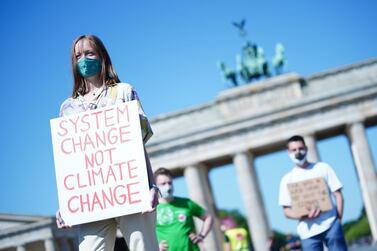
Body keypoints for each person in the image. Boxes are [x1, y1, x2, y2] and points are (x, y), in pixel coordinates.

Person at [55, 34, 159, 251]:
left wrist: (152, 186)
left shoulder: (124, 92)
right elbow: (71, 162)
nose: (83, 59)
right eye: (78, 55)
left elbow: (139, 146)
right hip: (92, 200)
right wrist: (66, 203)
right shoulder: (68, 108)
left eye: (89, 53)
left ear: (102, 56)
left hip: (132, 189)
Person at [279, 135, 347, 251]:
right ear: (288, 152)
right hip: (308, 232)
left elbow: (338, 194)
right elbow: (286, 211)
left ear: (306, 148)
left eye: (300, 148)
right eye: (294, 150)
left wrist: (338, 220)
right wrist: (302, 214)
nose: (298, 152)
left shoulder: (323, 168)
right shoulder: (287, 179)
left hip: (331, 224)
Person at [154, 167, 214, 251]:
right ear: (156, 186)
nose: (168, 186)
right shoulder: (152, 208)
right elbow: (145, 232)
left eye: (170, 183)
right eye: (163, 184)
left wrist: (201, 236)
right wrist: (155, 245)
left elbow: (208, 217)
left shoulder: (186, 203)